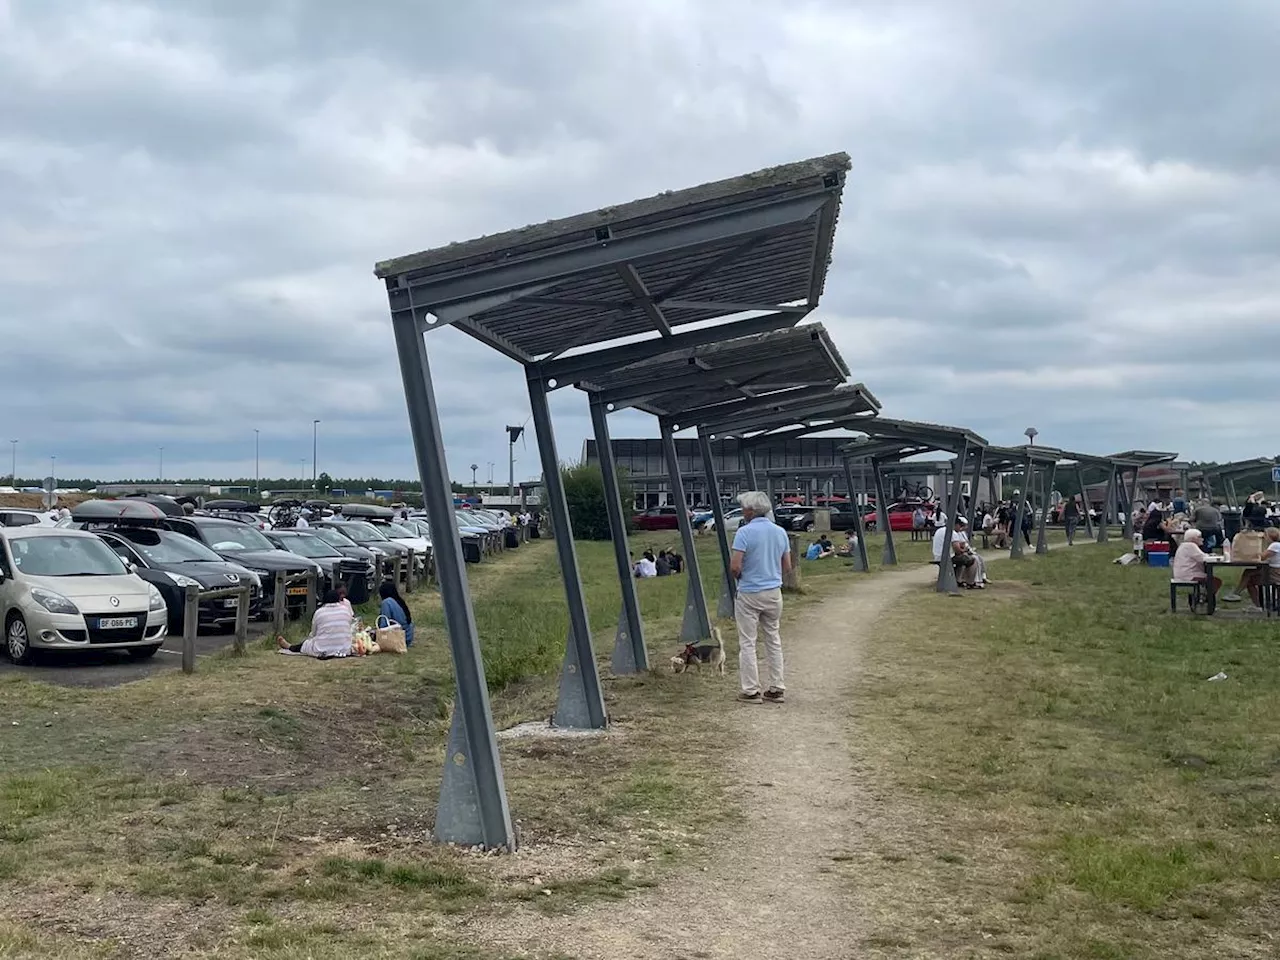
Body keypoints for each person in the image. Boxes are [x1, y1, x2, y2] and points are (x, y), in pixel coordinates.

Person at [730, 490, 790, 704]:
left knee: (748, 642)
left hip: (749, 591)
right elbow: (787, 566)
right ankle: (777, 686)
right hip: (774, 592)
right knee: (773, 639)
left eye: (744, 508)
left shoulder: (744, 533)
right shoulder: (780, 532)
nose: (742, 511)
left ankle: (751, 690)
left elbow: (735, 566)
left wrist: (741, 576)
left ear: (750, 511)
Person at [277, 589, 354, 658]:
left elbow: (314, 633)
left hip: (322, 649)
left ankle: (290, 647)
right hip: (345, 649)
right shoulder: (346, 610)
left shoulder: (319, 612)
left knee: (306, 644)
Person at [932, 516, 985, 588]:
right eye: (960, 526)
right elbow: (958, 551)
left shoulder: (939, 530)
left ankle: (958, 580)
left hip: (937, 556)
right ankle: (971, 582)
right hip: (947, 557)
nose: (960, 528)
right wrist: (965, 550)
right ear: (956, 525)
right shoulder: (953, 532)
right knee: (972, 560)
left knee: (962, 561)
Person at [1172, 529, 1222, 600]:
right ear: (1193, 538)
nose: (1202, 539)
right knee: (1215, 581)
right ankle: (1207, 600)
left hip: (1182, 573)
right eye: (1199, 537)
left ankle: (1203, 597)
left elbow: (1200, 556)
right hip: (1189, 575)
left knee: (1210, 579)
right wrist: (1215, 557)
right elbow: (1203, 558)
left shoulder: (1184, 545)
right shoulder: (1191, 546)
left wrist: (1208, 555)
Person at [1238, 527, 1280, 608]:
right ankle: (1257, 604)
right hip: (1272, 571)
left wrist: (1253, 551)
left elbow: (1262, 557)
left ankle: (1237, 594)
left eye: (1265, 535)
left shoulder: (1274, 545)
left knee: (1249, 575)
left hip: (1275, 573)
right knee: (1249, 575)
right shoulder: (1275, 545)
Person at [378, 580, 415, 646]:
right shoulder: (399, 601)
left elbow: (384, 624)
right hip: (408, 635)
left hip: (398, 637)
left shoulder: (387, 602)